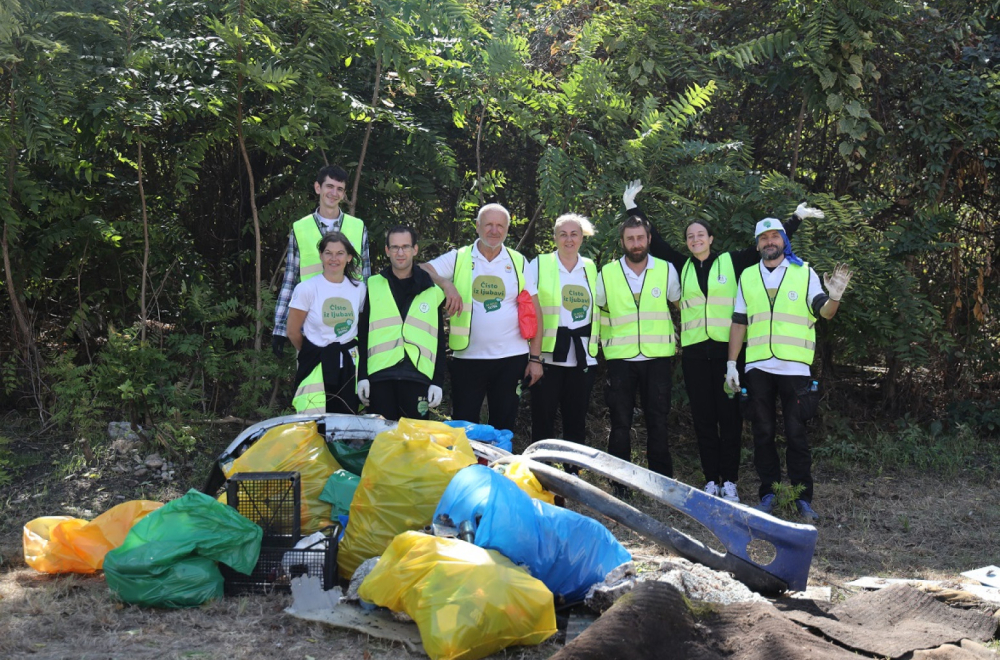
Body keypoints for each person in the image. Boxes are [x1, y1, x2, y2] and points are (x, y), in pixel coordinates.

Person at [622, 181, 822, 503]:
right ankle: (711, 479)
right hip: (694, 355)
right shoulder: (680, 265)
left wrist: (795, 219)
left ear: (711, 239)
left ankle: (729, 481)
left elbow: (771, 243)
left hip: (729, 356)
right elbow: (653, 240)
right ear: (686, 242)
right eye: (690, 236)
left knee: (729, 420)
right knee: (703, 419)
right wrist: (633, 207)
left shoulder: (732, 262)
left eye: (701, 234)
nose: (695, 239)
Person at [725, 217, 853, 521]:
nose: (770, 242)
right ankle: (768, 494)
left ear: (784, 240)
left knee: (797, 434)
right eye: (764, 238)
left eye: (775, 237)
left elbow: (825, 312)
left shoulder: (803, 272)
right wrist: (732, 363)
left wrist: (835, 297)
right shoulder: (747, 276)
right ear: (757, 244)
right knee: (762, 432)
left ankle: (801, 498)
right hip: (757, 366)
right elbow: (739, 322)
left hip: (794, 367)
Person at [421, 203, 530, 433]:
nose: (494, 230)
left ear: (507, 230)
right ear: (477, 227)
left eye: (500, 225)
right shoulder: (459, 258)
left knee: (504, 425)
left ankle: (500, 467)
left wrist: (536, 357)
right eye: (488, 224)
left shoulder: (518, 261)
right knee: (464, 423)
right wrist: (446, 284)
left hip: (512, 357)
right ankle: (466, 467)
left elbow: (535, 307)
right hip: (468, 357)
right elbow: (421, 270)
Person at [595, 213, 681, 487]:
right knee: (620, 422)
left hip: (657, 357)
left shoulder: (666, 269)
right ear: (622, 242)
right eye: (630, 239)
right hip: (620, 357)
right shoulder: (607, 273)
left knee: (658, 419)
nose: (636, 244)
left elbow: (682, 306)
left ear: (649, 239)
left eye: (640, 238)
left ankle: (661, 482)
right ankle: (619, 482)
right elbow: (594, 313)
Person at [272, 165, 370, 358]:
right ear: (318, 188)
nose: (334, 193)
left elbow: (366, 278)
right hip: (311, 324)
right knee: (312, 386)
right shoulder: (300, 228)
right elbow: (290, 278)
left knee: (348, 387)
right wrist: (281, 327)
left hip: (348, 326)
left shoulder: (358, 227)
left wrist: (369, 323)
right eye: (329, 186)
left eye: (339, 189)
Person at [525, 213, 601, 447]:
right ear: (555, 237)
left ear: (582, 238)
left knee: (576, 419)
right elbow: (527, 307)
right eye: (563, 234)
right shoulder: (539, 263)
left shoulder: (589, 266)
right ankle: (540, 471)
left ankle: (572, 471)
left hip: (581, 356)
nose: (569, 240)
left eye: (574, 234)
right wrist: (533, 357)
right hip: (547, 357)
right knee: (543, 419)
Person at [356, 226, 446, 420]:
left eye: (405, 247)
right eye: (395, 247)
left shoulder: (432, 291)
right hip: (380, 377)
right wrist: (362, 376)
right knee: (381, 443)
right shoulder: (372, 285)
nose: (400, 252)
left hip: (418, 377)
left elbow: (439, 340)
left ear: (415, 249)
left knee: (414, 445)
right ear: (387, 251)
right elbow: (362, 336)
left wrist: (437, 381)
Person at [287, 232, 367, 415]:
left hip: (348, 365)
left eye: (340, 253)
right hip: (317, 364)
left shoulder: (359, 289)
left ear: (349, 257)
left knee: (347, 421)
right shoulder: (307, 288)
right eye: (328, 253)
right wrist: (313, 353)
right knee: (314, 423)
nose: (334, 258)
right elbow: (292, 331)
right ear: (321, 256)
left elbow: (361, 328)